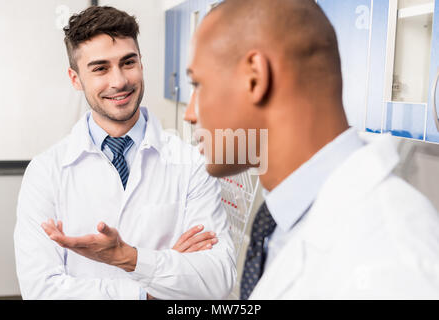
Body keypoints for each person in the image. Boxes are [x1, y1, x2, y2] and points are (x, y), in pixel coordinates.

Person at [184, 0, 439, 299]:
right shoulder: (284, 220)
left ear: (255, 77)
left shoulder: (390, 264)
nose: (190, 113)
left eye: (198, 84)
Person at [14, 5, 236, 300]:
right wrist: (150, 289)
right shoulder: (46, 172)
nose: (119, 81)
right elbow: (41, 291)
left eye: (128, 63)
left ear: (141, 64)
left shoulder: (192, 164)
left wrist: (128, 257)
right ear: (75, 78)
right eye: (100, 68)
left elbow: (216, 280)